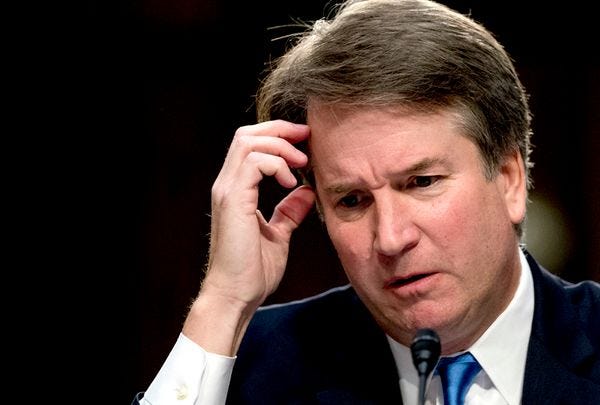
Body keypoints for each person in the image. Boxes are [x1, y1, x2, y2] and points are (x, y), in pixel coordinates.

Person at [132, 0, 600, 404]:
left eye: (421, 182)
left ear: (510, 180)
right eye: (353, 200)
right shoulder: (253, 364)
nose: (391, 238)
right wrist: (223, 301)